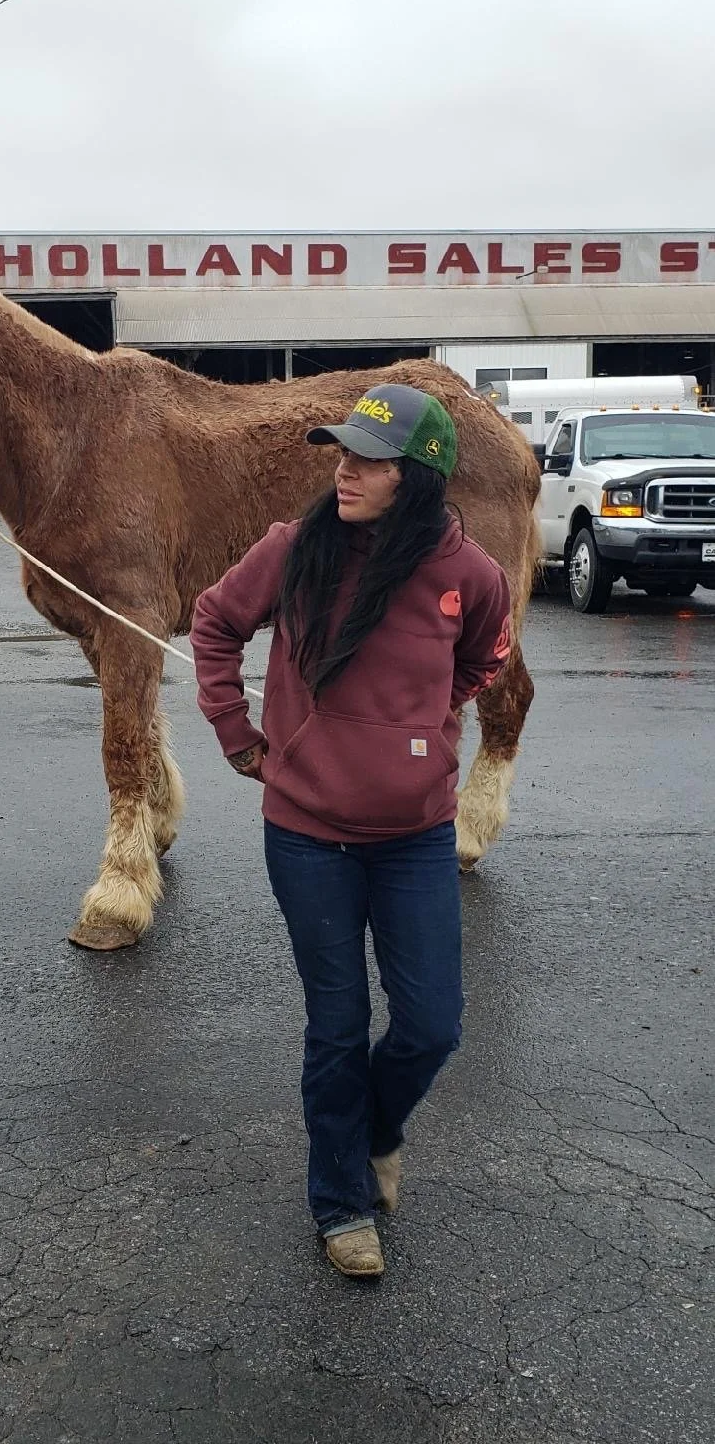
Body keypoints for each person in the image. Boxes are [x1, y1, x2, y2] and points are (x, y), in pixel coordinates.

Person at [191, 383, 512, 1280]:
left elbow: (484, 656)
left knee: (432, 1025)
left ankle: (374, 1132)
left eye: (368, 459)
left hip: (415, 836)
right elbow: (214, 622)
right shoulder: (295, 548)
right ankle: (340, 1205)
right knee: (336, 1027)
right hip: (307, 834)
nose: (344, 470)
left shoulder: (469, 575)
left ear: (419, 477)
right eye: (341, 452)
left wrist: (425, 726)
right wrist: (236, 731)